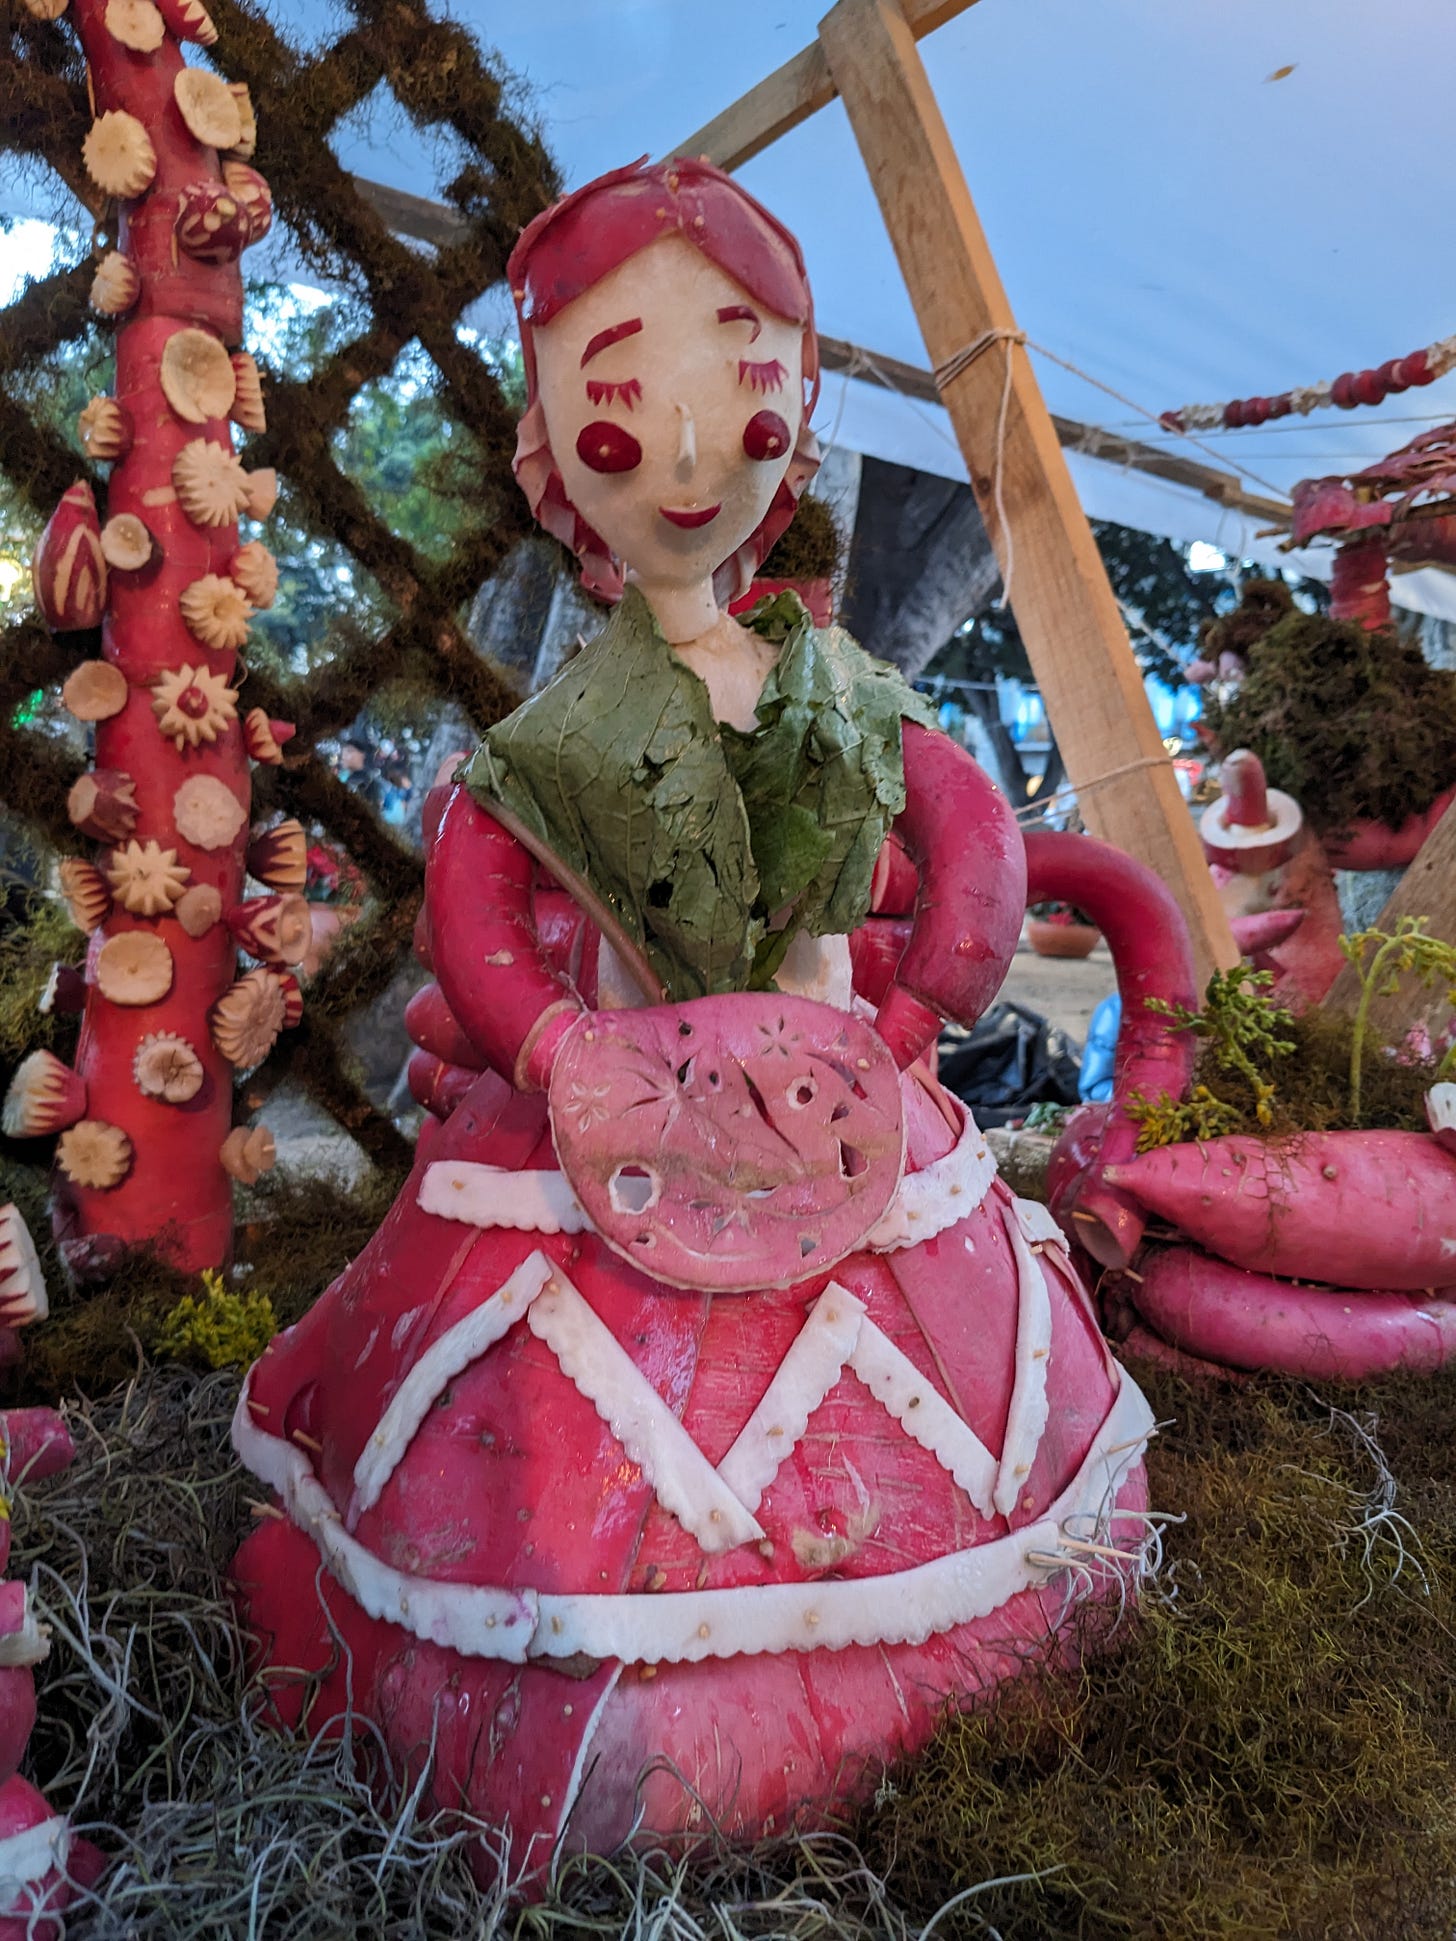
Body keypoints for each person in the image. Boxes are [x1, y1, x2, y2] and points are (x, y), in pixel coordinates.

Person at [232, 157, 1153, 1885]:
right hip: (625, 1123)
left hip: (842, 1107)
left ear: (792, 414)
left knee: (947, 1421)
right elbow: (481, 894)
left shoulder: (826, 676)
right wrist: (553, 1046)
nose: (676, 453)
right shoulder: (569, 726)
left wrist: (942, 978)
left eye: (731, 382)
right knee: (559, 1453)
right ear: (552, 445)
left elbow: (950, 810)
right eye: (616, 401)